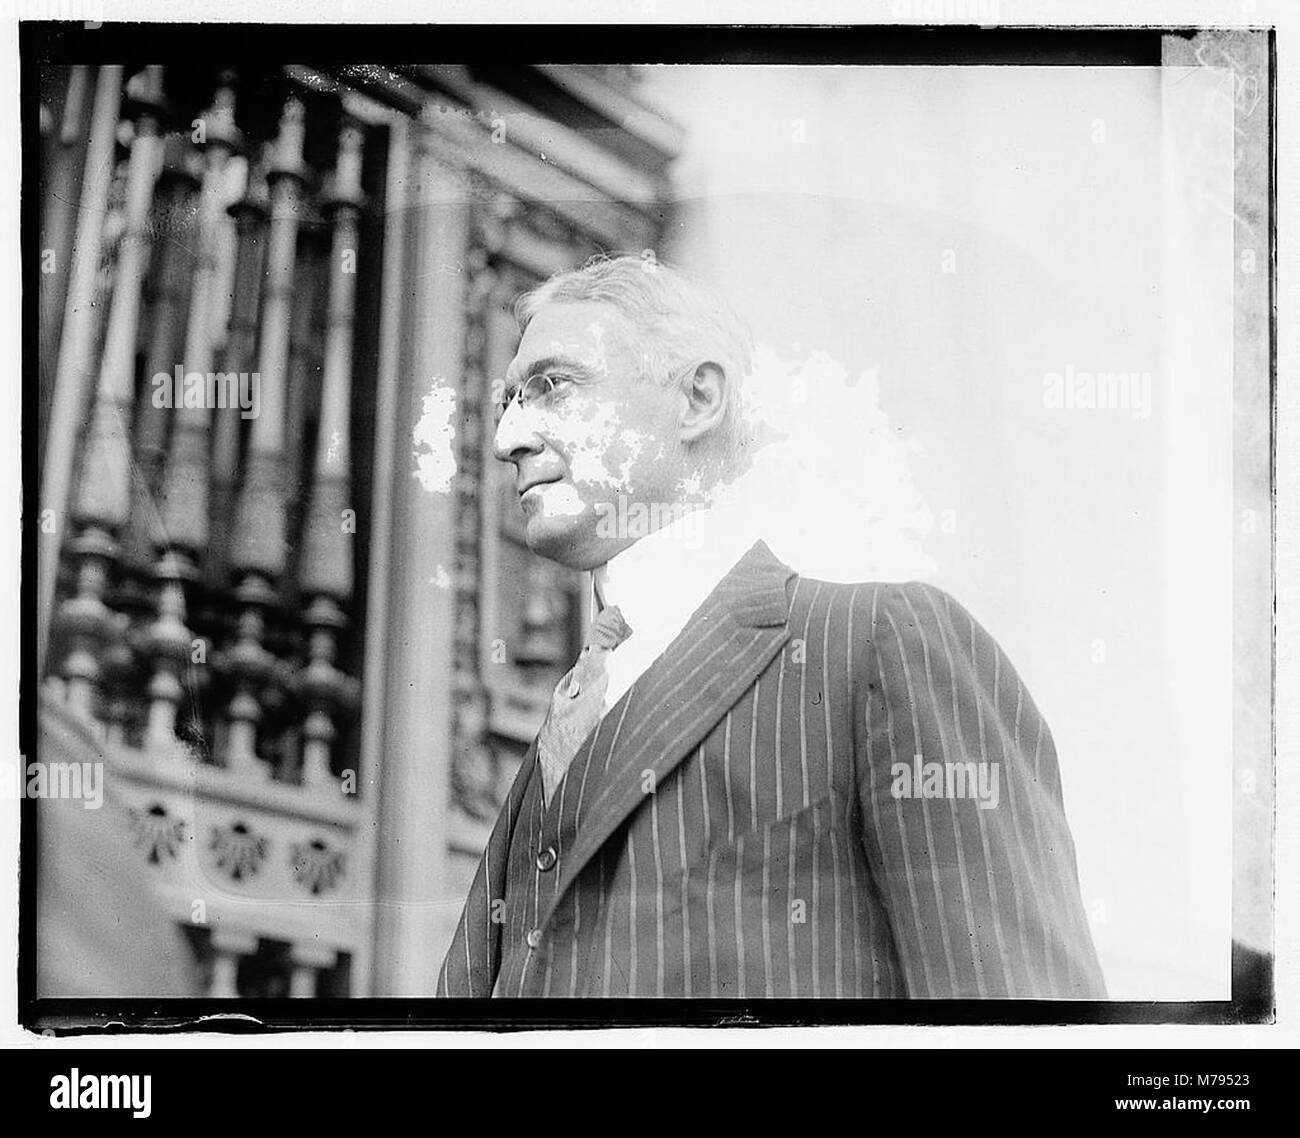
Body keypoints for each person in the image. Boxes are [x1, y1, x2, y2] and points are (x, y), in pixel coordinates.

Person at [438, 254, 1106, 999]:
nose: (507, 438)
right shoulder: (572, 711)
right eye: (506, 403)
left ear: (697, 398)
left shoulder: (879, 643)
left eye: (551, 387)